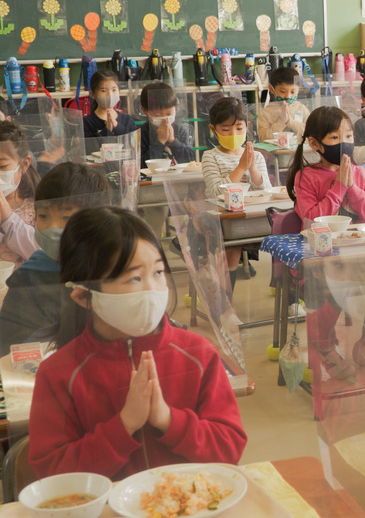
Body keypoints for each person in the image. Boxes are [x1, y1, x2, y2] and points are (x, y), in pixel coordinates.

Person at [28, 206, 247, 480]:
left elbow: (229, 449)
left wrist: (168, 419)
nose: (153, 291)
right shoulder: (58, 374)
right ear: (83, 296)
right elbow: (51, 474)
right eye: (133, 278)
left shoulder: (197, 353)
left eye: (157, 273)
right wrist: (123, 426)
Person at [0, 162, 109, 355]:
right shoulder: (29, 277)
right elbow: (10, 346)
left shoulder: (113, 271)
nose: (52, 227)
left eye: (66, 218)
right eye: (43, 216)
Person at [201, 97, 271, 287]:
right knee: (231, 249)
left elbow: (265, 191)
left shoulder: (255, 155)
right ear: (213, 130)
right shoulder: (210, 157)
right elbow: (216, 191)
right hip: (227, 219)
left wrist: (252, 168)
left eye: (239, 128)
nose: (233, 133)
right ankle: (226, 307)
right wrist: (240, 168)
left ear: (247, 127)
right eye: (225, 129)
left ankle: (288, 296)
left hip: (253, 217)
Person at [286, 106, 365, 225]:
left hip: (358, 241)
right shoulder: (306, 177)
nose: (344, 143)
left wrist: (352, 188)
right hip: (322, 241)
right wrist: (339, 187)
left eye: (348, 136)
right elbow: (311, 220)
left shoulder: (361, 174)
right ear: (314, 143)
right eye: (335, 137)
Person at [0, 121, 41, 266]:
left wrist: (7, 218)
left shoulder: (39, 205)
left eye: (2, 166)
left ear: (24, 164)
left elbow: (45, 254)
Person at [138, 81, 194, 167]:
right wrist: (160, 142)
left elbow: (191, 160)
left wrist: (173, 140)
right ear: (145, 111)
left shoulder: (179, 130)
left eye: (168, 113)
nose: (165, 119)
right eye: (157, 115)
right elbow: (141, 165)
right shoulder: (141, 133)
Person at [82, 71, 137, 150]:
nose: (110, 95)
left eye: (114, 90)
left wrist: (117, 127)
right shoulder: (86, 123)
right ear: (93, 94)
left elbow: (134, 146)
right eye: (103, 91)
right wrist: (106, 130)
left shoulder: (127, 120)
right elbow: (88, 149)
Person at [257, 67, 311, 142]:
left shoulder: (301, 108)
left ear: (298, 90)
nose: (288, 96)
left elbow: (311, 132)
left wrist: (289, 121)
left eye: (292, 92)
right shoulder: (266, 113)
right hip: (275, 153)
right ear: (272, 89)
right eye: (283, 91)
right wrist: (281, 122)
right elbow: (263, 138)